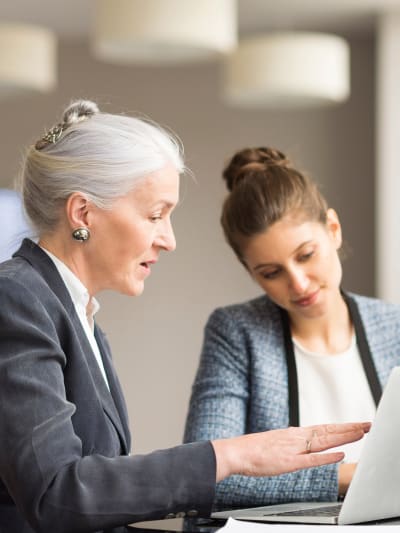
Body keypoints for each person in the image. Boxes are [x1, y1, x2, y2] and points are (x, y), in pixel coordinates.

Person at [0, 104, 370, 533]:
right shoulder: (18, 298)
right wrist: (230, 455)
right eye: (156, 215)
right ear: (83, 213)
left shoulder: (75, 312)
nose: (169, 239)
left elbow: (95, 506)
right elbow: (56, 495)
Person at [184, 146, 400, 510]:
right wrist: (351, 478)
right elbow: (205, 473)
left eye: (306, 255)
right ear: (250, 271)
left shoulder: (393, 326)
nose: (298, 284)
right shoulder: (237, 333)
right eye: (271, 272)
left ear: (333, 229)